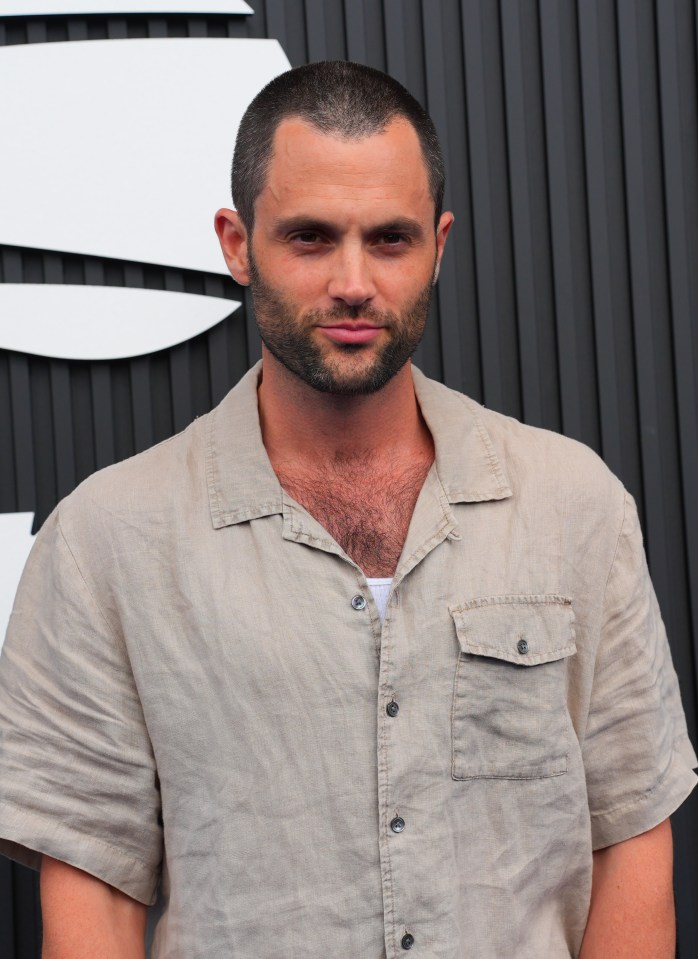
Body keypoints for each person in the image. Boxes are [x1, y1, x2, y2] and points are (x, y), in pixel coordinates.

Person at [0, 60, 695, 959]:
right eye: (311, 238)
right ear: (237, 241)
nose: (355, 281)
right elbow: (93, 907)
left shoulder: (573, 504)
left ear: (440, 245)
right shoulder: (105, 540)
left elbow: (631, 834)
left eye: (391, 240)